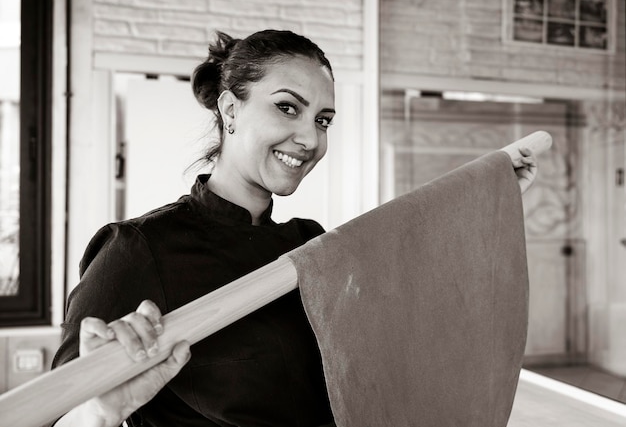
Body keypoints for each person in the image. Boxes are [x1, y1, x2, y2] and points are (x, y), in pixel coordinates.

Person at [52, 29, 538, 427]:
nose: (309, 138)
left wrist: (485, 196)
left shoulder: (313, 245)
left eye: (323, 119)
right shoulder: (138, 249)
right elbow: (50, 416)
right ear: (230, 110)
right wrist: (99, 411)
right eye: (287, 107)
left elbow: (412, 292)